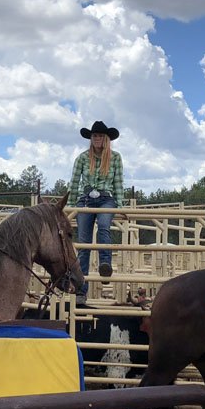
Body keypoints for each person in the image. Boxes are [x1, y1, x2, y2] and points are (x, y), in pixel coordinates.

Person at [69, 120, 124, 306]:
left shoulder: (115, 158)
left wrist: (121, 206)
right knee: (84, 244)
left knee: (103, 226)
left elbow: (118, 183)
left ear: (106, 139)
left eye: (100, 136)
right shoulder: (83, 158)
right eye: (94, 136)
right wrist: (71, 207)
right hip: (85, 199)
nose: (97, 139)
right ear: (91, 138)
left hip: (106, 198)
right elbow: (74, 182)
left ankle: (105, 265)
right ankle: (80, 290)